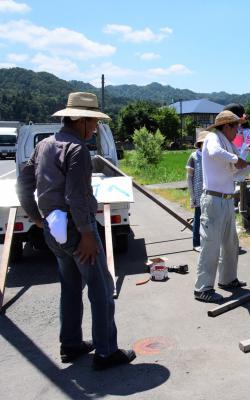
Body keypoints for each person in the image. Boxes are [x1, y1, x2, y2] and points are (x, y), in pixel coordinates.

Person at [16, 92, 136, 370]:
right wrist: (85, 234)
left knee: (70, 287)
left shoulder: (44, 145)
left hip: (51, 226)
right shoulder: (77, 149)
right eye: (93, 122)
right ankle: (106, 352)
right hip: (75, 226)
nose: (94, 128)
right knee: (102, 289)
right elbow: (77, 196)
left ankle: (70, 345)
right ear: (80, 120)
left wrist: (36, 218)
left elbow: (23, 185)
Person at [194, 110, 250, 302]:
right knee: (210, 244)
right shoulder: (213, 138)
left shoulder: (228, 145)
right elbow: (214, 152)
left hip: (227, 199)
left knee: (230, 243)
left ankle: (227, 279)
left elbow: (235, 175)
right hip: (213, 199)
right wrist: (237, 160)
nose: (238, 131)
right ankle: (202, 288)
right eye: (236, 127)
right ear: (226, 126)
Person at [186, 130, 209, 251]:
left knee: (209, 218)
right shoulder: (194, 157)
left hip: (210, 191)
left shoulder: (211, 155)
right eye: (204, 142)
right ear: (200, 144)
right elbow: (189, 177)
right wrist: (192, 195)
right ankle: (196, 243)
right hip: (198, 192)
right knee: (198, 217)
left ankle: (207, 241)